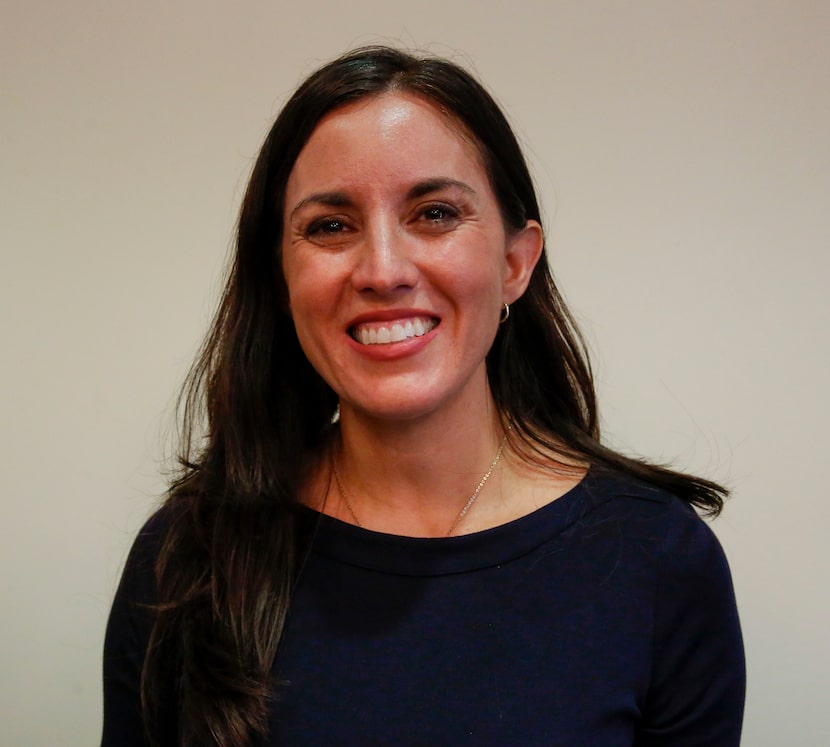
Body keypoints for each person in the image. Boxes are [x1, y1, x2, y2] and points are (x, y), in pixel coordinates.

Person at [101, 46, 745, 746]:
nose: (382, 269)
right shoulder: (186, 556)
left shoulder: (659, 562)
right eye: (330, 225)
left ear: (514, 262)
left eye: (435, 212)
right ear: (281, 276)